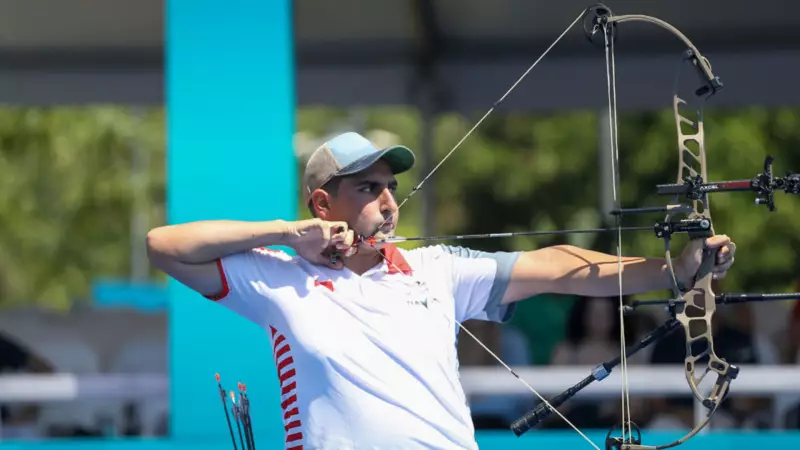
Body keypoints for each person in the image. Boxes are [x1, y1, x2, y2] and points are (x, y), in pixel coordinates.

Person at [146, 131, 737, 449]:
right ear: (323, 203)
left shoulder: (436, 268)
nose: (387, 201)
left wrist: (672, 271)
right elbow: (164, 244)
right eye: (367, 187)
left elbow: (557, 266)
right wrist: (286, 233)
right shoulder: (279, 275)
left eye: (391, 187)